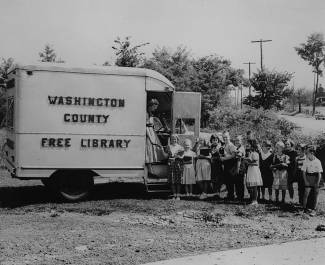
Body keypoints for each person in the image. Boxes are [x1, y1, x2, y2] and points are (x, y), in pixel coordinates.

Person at [301, 145, 323, 216]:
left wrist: (317, 183)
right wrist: (305, 181)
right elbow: (304, 172)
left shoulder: (317, 161)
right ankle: (304, 209)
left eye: (307, 153)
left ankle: (314, 209)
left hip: (316, 177)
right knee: (306, 193)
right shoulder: (305, 161)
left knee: (316, 194)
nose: (306, 154)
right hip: (308, 177)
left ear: (312, 153)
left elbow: (319, 173)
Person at [145, 98, 167, 163]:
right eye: (155, 107)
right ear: (151, 106)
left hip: (151, 131)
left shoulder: (149, 113)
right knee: (152, 145)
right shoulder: (146, 113)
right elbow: (147, 124)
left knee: (155, 145)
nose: (155, 109)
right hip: (148, 132)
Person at [245, 139, 263, 205]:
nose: (247, 145)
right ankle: (253, 199)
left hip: (254, 170)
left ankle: (255, 200)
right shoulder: (251, 153)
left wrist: (248, 163)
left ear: (252, 145)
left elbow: (256, 163)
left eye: (249, 144)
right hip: (251, 169)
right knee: (251, 186)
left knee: (254, 186)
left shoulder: (255, 153)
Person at [220, 131, 237, 200]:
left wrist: (224, 158)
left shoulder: (230, 145)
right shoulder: (225, 145)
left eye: (226, 137)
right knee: (227, 180)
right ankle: (229, 194)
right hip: (226, 164)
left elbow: (233, 155)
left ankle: (231, 195)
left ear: (229, 137)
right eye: (223, 137)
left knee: (230, 181)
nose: (225, 139)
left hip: (231, 165)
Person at [167, 134, 184, 200]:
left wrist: (177, 157)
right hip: (171, 165)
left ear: (177, 140)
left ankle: (178, 195)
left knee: (178, 181)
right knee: (172, 181)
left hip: (178, 165)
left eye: (175, 139)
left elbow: (182, 157)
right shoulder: (169, 147)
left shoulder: (180, 147)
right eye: (172, 139)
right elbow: (167, 156)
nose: (174, 140)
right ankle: (174, 195)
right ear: (170, 140)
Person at [233, 135, 246, 201]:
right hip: (237, 166)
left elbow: (239, 158)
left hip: (240, 166)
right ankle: (238, 195)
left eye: (238, 140)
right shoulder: (237, 148)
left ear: (241, 141)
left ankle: (241, 196)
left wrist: (238, 168)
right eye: (236, 140)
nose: (236, 141)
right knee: (237, 181)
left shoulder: (241, 148)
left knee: (240, 181)